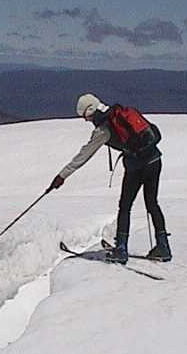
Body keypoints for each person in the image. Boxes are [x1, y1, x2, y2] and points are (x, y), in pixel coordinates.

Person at [47, 93, 171, 264]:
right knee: (152, 203)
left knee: (125, 206)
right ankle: (163, 246)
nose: (86, 120)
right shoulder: (120, 113)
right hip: (155, 159)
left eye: (86, 116)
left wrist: (62, 176)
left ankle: (121, 249)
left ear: (91, 111)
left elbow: (84, 155)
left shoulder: (103, 130)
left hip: (136, 166)